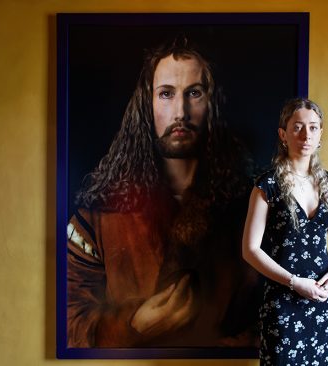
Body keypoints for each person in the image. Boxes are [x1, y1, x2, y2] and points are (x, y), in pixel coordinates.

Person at [66, 36, 259, 348]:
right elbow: (69, 321)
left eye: (194, 93)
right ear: (147, 104)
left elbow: (269, 317)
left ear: (212, 105)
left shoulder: (250, 208)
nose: (180, 111)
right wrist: (132, 326)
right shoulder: (97, 217)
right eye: (166, 94)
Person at [242, 98, 328, 365]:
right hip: (282, 301)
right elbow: (250, 249)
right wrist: (294, 282)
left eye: (313, 127)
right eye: (298, 127)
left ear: (321, 133)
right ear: (283, 134)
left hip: (321, 300)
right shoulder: (267, 185)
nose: (306, 134)